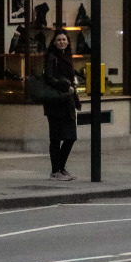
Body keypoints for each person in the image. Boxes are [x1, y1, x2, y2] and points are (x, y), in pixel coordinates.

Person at [43, 29, 80, 180]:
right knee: (56, 138)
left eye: (64, 39)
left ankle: (61, 167)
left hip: (68, 101)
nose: (62, 42)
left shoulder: (68, 57)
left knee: (71, 136)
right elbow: (49, 78)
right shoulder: (52, 57)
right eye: (59, 40)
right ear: (54, 43)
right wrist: (65, 86)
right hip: (56, 102)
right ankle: (55, 171)